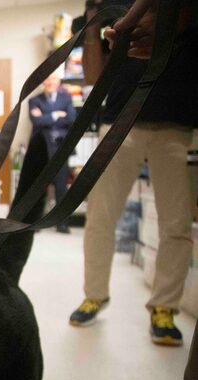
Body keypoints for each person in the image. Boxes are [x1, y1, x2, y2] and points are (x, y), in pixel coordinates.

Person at [69, 0, 198, 347]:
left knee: (177, 224)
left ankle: (164, 309)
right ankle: (94, 294)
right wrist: (94, 24)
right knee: (99, 216)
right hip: (119, 123)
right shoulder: (108, 5)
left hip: (177, 123)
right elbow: (94, 77)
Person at [28, 73, 76, 233]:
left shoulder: (66, 99)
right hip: (42, 148)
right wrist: (56, 115)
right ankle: (35, 223)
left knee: (61, 187)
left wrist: (46, 117)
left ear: (58, 82)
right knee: (39, 186)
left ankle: (62, 223)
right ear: (43, 82)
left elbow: (71, 119)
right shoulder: (34, 101)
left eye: (53, 79)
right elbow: (37, 121)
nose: (50, 82)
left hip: (60, 147)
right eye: (47, 79)